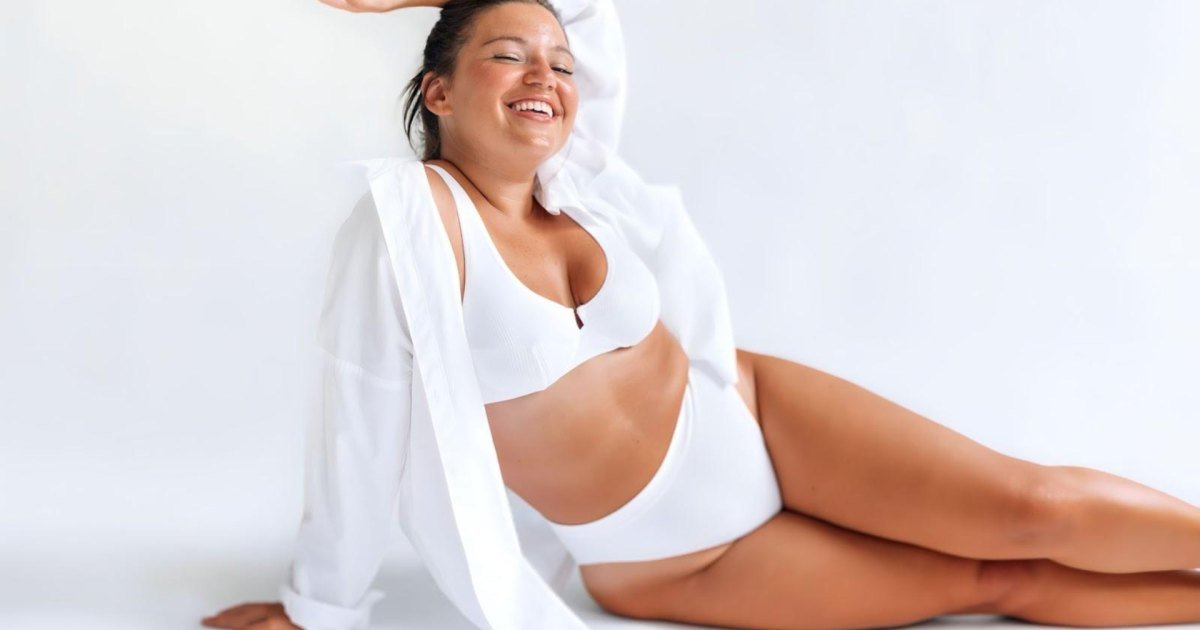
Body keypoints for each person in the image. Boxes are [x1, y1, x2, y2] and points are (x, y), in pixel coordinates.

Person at [203, 0, 1200, 628]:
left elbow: (584, 11)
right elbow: (359, 415)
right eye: (508, 56)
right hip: (677, 555)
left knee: (1037, 507)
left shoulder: (581, 184)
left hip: (752, 412)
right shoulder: (408, 226)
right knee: (999, 580)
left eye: (559, 64)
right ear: (440, 90)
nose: (546, 77)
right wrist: (319, 609)